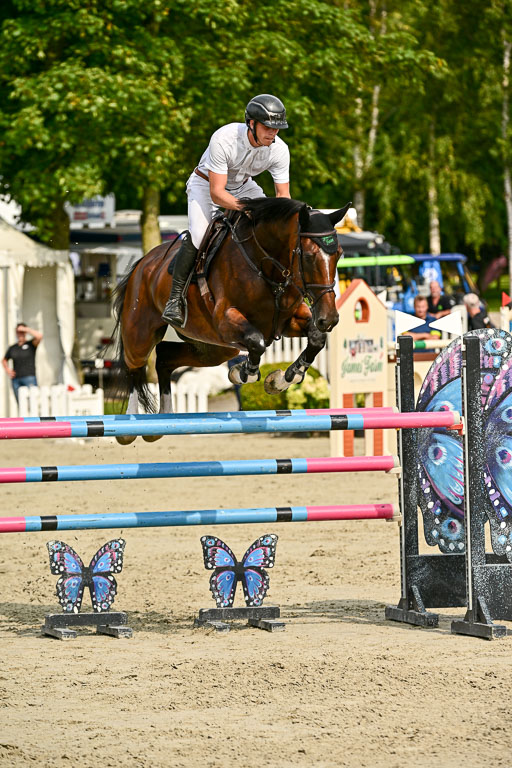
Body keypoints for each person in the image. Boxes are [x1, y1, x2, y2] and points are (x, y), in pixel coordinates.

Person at [162, 94, 291, 327]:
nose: (273, 133)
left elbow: (283, 197)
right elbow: (217, 193)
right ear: (251, 123)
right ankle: (175, 298)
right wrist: (249, 209)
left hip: (244, 186)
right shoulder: (224, 138)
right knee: (201, 234)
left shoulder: (279, 150)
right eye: (268, 127)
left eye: (277, 128)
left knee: (269, 228)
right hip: (205, 184)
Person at [2, 323, 43, 402]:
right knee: (20, 403)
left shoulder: (31, 344)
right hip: (16, 380)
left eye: (22, 332)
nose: (20, 334)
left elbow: (39, 336)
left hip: (29, 377)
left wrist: (26, 329)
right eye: (18, 332)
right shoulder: (13, 348)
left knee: (33, 402)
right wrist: (8, 370)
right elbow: (4, 360)